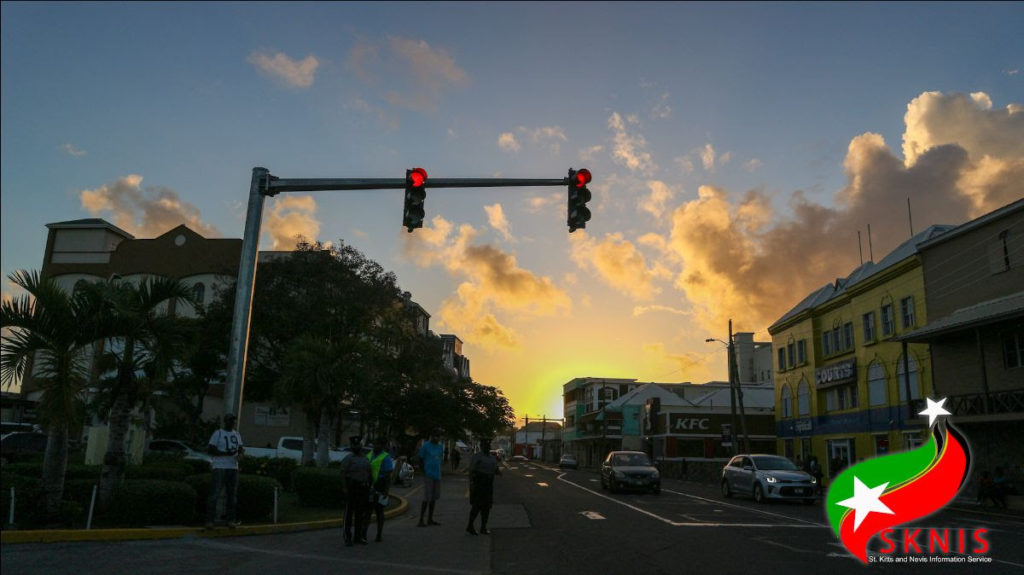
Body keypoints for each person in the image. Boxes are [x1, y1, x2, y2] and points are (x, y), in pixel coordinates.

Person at [206, 414, 244, 529]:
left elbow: (241, 448)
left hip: (233, 467)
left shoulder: (237, 434)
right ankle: (210, 520)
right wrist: (225, 454)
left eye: (233, 421)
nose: (232, 423)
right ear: (225, 421)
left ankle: (230, 520)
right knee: (215, 494)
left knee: (232, 495)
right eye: (230, 421)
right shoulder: (218, 433)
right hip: (220, 466)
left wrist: (240, 455)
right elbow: (211, 449)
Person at [361, 438, 395, 543]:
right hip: (369, 485)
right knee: (367, 511)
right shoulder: (369, 455)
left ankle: (379, 534)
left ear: (383, 446)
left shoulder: (386, 457)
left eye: (378, 444)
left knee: (379, 511)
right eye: (374, 444)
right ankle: (364, 534)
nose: (375, 446)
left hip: (380, 486)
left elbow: (388, 476)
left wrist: (386, 490)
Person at [340, 435, 371, 546]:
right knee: (349, 514)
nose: (356, 446)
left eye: (358, 444)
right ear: (351, 446)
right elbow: (343, 473)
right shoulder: (348, 458)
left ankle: (358, 537)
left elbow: (368, 473)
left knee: (360, 514)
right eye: (354, 445)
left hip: (362, 488)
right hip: (352, 488)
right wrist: (344, 488)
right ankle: (347, 537)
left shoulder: (365, 458)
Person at [466, 438, 501, 535]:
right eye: (485, 445)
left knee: (487, 507)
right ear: (482, 447)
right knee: (476, 506)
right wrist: (472, 484)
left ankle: (483, 527)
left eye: (488, 445)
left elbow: (495, 469)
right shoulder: (477, 457)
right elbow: (472, 470)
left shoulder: (491, 458)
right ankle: (470, 526)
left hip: (489, 483)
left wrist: (498, 472)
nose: (487, 447)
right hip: (479, 483)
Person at [417, 430, 444, 527]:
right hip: (428, 474)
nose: (437, 438)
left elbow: (440, 458)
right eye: (435, 436)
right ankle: (421, 520)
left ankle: (430, 519)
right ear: (431, 436)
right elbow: (420, 458)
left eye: (438, 436)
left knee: (434, 498)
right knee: (427, 497)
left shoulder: (440, 447)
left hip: (437, 475)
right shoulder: (426, 446)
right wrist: (423, 471)